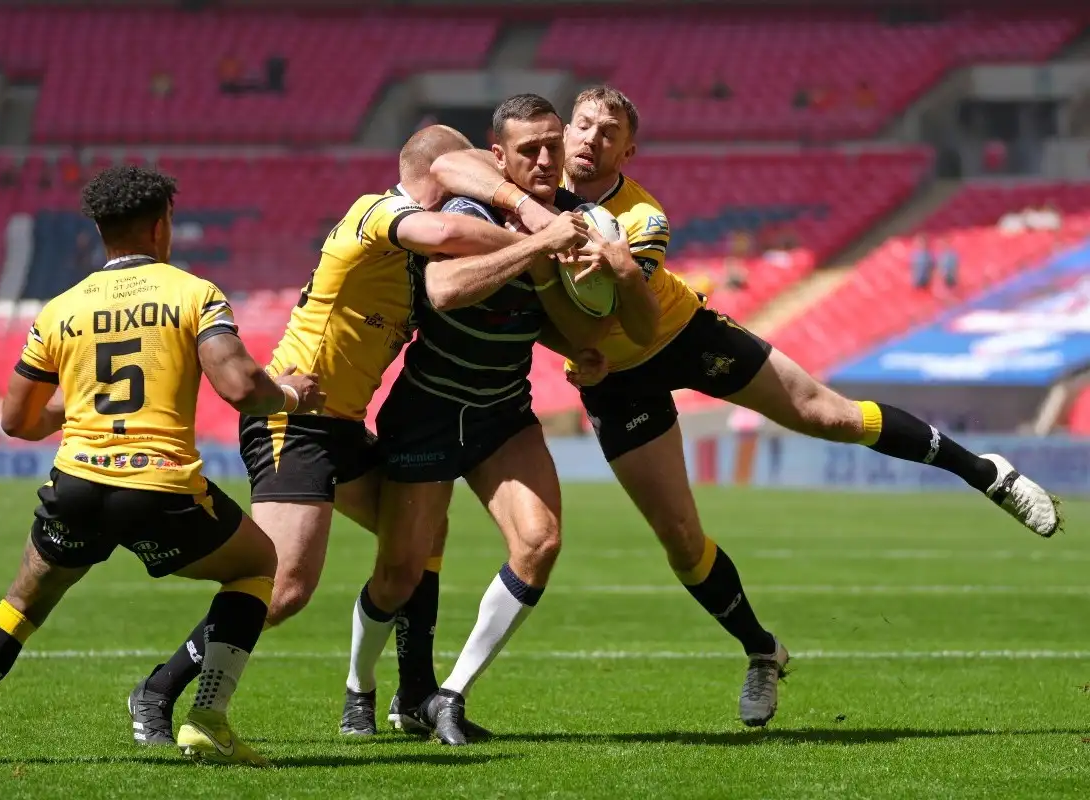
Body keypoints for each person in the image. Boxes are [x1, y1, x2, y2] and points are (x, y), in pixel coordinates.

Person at [430, 84, 1064, 729]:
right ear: (563, 132)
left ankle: (984, 472)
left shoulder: (642, 219)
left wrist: (611, 276)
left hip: (684, 337)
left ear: (628, 151)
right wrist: (533, 230)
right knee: (680, 540)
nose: (591, 139)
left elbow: (634, 321)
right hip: (615, 382)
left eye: (609, 132)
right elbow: (448, 164)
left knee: (829, 415)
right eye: (584, 125)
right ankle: (763, 651)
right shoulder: (526, 185)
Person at [124, 126, 549, 746]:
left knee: (421, 533)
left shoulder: (416, 252)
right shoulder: (378, 211)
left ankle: (415, 693)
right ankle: (158, 688)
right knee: (284, 587)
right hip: (292, 421)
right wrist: (538, 237)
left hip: (342, 425)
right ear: (444, 169)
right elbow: (446, 233)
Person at [0, 165, 324, 768]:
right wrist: (290, 396)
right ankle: (207, 718)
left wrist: (79, 401)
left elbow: (16, 420)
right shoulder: (193, 293)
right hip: (158, 486)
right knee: (258, 564)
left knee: (21, 604)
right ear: (161, 226)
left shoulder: (61, 309)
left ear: (100, 231)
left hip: (77, 485)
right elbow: (241, 386)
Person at [341, 94, 635, 746]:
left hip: (502, 410)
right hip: (428, 407)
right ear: (498, 157)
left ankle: (449, 696)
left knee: (540, 543)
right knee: (399, 574)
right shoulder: (471, 208)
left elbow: (568, 314)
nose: (546, 159)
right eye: (529, 149)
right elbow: (444, 290)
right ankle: (359, 686)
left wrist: (582, 345)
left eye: (552, 145)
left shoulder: (578, 220)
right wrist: (535, 244)